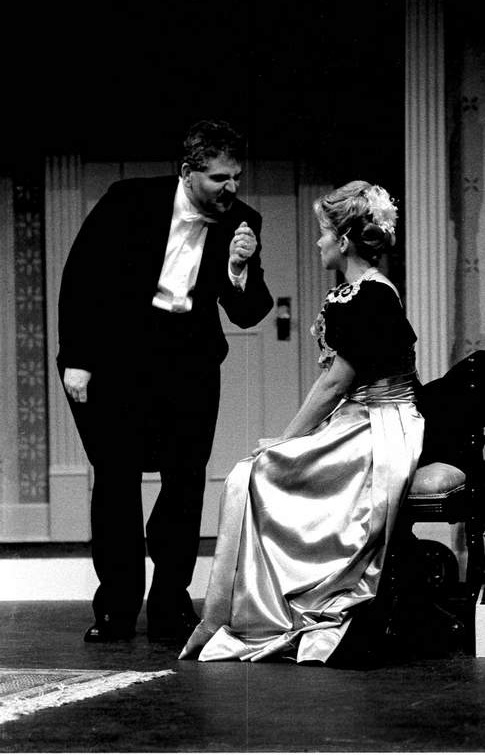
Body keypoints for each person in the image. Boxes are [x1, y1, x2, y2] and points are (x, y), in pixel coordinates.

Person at [180, 179, 424, 665]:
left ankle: (265, 610)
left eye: (324, 233)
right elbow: (338, 389)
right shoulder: (359, 292)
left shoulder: (368, 297)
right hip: (360, 418)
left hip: (381, 428)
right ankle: (251, 606)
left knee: (252, 472)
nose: (318, 242)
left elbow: (335, 384)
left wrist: (287, 439)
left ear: (345, 241)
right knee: (252, 473)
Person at [58, 119, 274, 643]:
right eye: (219, 178)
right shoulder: (128, 201)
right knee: (116, 481)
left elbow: (249, 312)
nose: (231, 187)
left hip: (189, 363)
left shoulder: (242, 221)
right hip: (120, 358)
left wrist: (239, 269)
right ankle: (115, 608)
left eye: (236, 177)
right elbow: (82, 278)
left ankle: (170, 605)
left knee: (185, 482)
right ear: (187, 172)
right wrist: (79, 359)